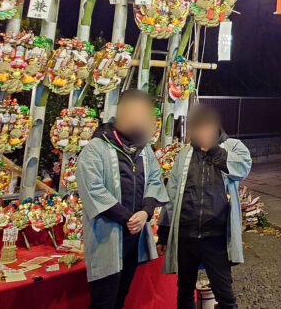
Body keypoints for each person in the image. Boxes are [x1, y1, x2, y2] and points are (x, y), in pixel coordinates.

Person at [76, 90, 168, 309]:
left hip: (133, 239)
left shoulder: (143, 149)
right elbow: (92, 189)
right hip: (107, 236)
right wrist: (128, 218)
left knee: (121, 297)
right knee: (103, 301)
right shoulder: (96, 148)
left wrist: (145, 211)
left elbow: (155, 178)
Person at [158, 104, 252, 309]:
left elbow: (243, 168)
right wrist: (164, 231)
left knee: (225, 294)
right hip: (186, 236)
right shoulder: (184, 155)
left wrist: (214, 151)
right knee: (184, 289)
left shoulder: (232, 146)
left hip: (215, 237)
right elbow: (172, 194)